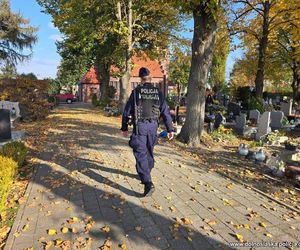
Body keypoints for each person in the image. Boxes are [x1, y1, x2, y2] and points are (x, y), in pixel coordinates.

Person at [121, 67, 174, 197]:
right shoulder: (158, 93)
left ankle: (147, 182)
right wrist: (170, 129)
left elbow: (127, 112)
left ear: (141, 79)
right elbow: (165, 112)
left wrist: (124, 128)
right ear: (150, 77)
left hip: (140, 127)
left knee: (140, 153)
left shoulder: (136, 92)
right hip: (153, 127)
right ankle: (146, 171)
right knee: (149, 151)